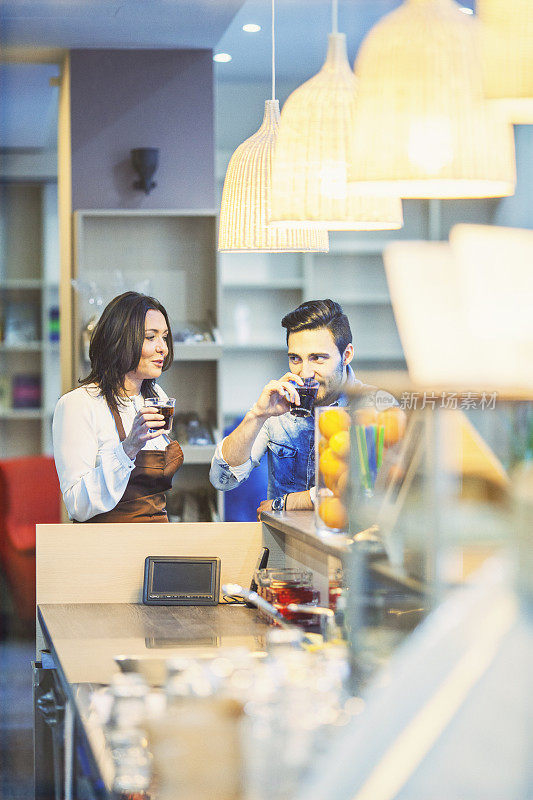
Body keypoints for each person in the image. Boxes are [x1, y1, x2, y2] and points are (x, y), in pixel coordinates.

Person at [210, 299, 394, 519]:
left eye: (317, 358)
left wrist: (291, 502)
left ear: (346, 355)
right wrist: (258, 415)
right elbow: (222, 479)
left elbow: (370, 487)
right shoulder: (277, 407)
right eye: (295, 359)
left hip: (347, 547)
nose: (304, 373)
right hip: (285, 548)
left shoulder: (376, 406)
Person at [53, 291, 183, 522]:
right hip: (108, 547)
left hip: (157, 543)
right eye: (151, 337)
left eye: (164, 337)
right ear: (120, 340)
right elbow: (76, 506)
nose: (163, 347)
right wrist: (127, 449)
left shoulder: (156, 397)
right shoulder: (78, 405)